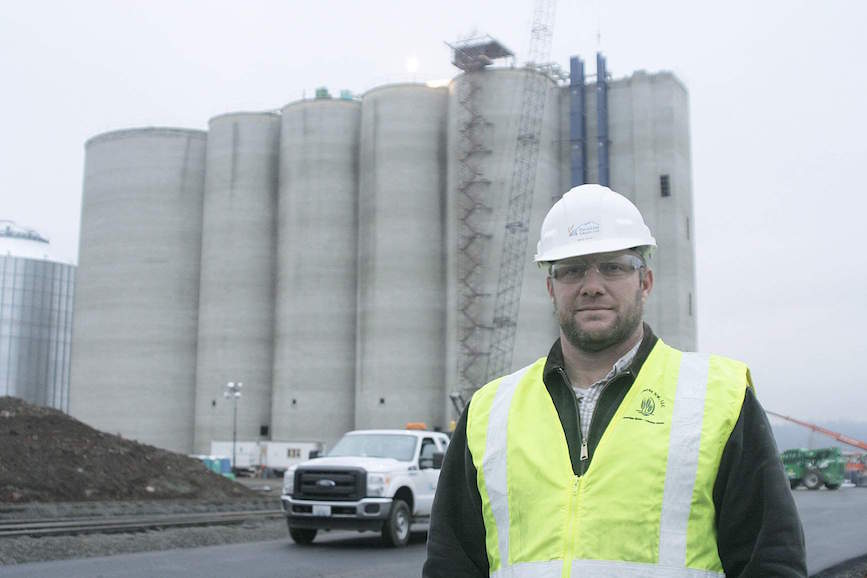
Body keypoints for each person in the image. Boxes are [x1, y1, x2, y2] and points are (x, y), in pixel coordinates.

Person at [424, 184, 806, 577]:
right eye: (572, 269)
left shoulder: (718, 399)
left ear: (645, 282)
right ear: (551, 288)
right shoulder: (490, 413)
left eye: (613, 266)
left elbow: (771, 561)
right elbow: (451, 564)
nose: (592, 285)